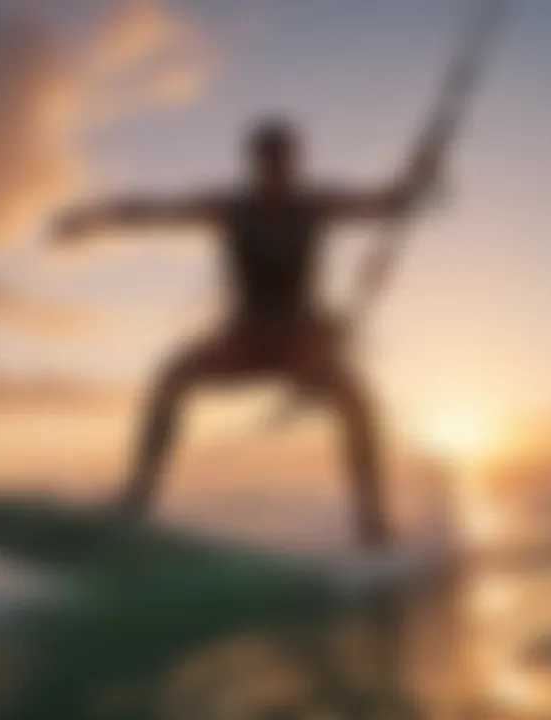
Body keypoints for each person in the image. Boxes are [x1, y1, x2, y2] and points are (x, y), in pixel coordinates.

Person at [54, 119, 438, 547]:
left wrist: (421, 174)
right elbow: (156, 211)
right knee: (173, 374)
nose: (276, 172)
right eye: (267, 163)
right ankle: (137, 499)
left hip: (301, 343)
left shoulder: (316, 205)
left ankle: (372, 523)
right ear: (254, 165)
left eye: (284, 162)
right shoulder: (231, 207)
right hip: (244, 340)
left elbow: (390, 206)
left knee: (357, 400)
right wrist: (93, 217)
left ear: (295, 164)